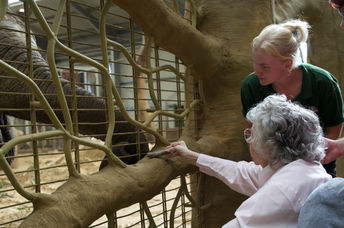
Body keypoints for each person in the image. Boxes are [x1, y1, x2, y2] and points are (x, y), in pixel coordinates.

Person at [166, 94, 331, 228]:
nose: (249, 140)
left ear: (268, 144)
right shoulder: (301, 168)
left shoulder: (282, 189)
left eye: (251, 134)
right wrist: (190, 156)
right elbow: (238, 171)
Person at [241, 19, 344, 177]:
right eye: (255, 63)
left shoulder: (323, 83)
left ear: (287, 64)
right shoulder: (251, 86)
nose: (257, 71)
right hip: (273, 166)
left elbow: (333, 129)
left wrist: (304, 163)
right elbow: (253, 134)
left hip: (316, 164)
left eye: (264, 66)